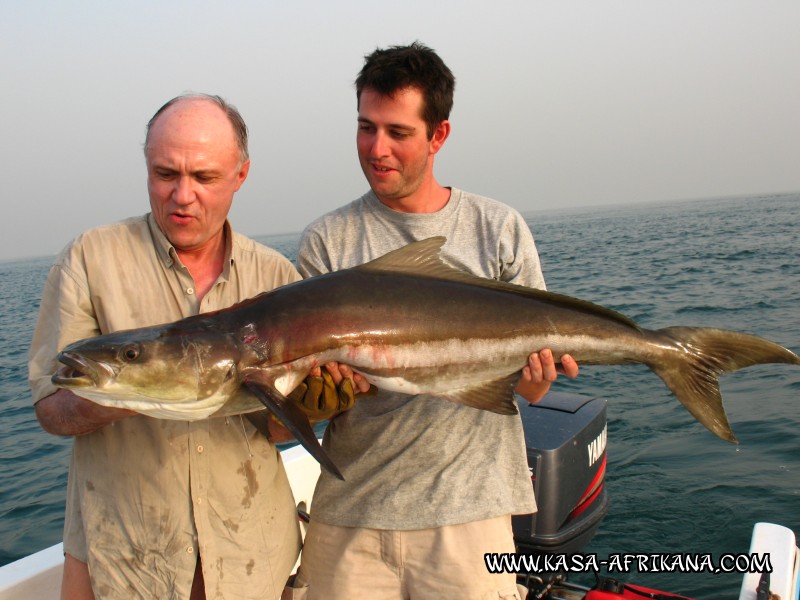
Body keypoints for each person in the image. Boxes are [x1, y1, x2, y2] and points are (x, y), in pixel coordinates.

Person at [28, 94, 359, 599]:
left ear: (240, 175)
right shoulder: (90, 258)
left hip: (250, 558)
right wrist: (136, 388)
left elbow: (269, 428)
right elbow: (52, 410)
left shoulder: (275, 276)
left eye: (203, 177)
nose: (183, 195)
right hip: (126, 559)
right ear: (146, 167)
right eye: (166, 174)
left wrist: (307, 409)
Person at [285, 42, 580, 599]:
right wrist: (321, 397)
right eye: (366, 128)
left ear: (438, 135)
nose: (377, 149)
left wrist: (533, 380)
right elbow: (307, 396)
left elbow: (531, 384)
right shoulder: (328, 240)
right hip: (353, 513)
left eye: (398, 132)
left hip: (470, 518)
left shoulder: (497, 228)